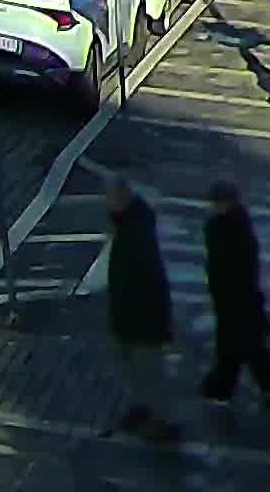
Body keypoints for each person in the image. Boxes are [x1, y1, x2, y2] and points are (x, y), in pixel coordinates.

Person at [198, 180, 270, 405]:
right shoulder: (230, 227)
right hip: (236, 299)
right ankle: (267, 384)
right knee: (247, 348)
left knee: (240, 348)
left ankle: (221, 388)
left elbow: (234, 269)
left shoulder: (230, 231)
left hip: (237, 300)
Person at [104, 181, 177, 441]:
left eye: (111, 198)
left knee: (150, 373)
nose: (107, 204)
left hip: (142, 322)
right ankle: (144, 411)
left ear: (122, 201)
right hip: (126, 317)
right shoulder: (129, 225)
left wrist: (159, 321)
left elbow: (152, 282)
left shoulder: (136, 234)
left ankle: (160, 422)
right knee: (132, 369)